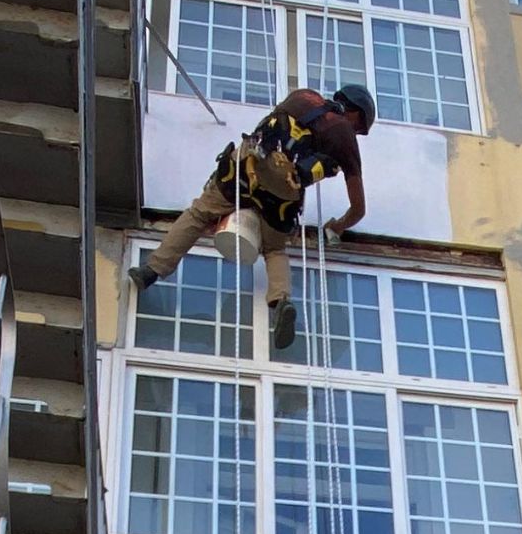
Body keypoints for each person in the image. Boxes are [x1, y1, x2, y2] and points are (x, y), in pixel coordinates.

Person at [129, 84, 374, 349]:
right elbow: (358, 209)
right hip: (281, 195)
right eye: (360, 128)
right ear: (356, 112)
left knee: (198, 215)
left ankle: (151, 270)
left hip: (244, 169)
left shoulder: (303, 96)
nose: (356, 133)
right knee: (274, 250)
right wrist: (337, 226)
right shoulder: (344, 136)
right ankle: (280, 302)